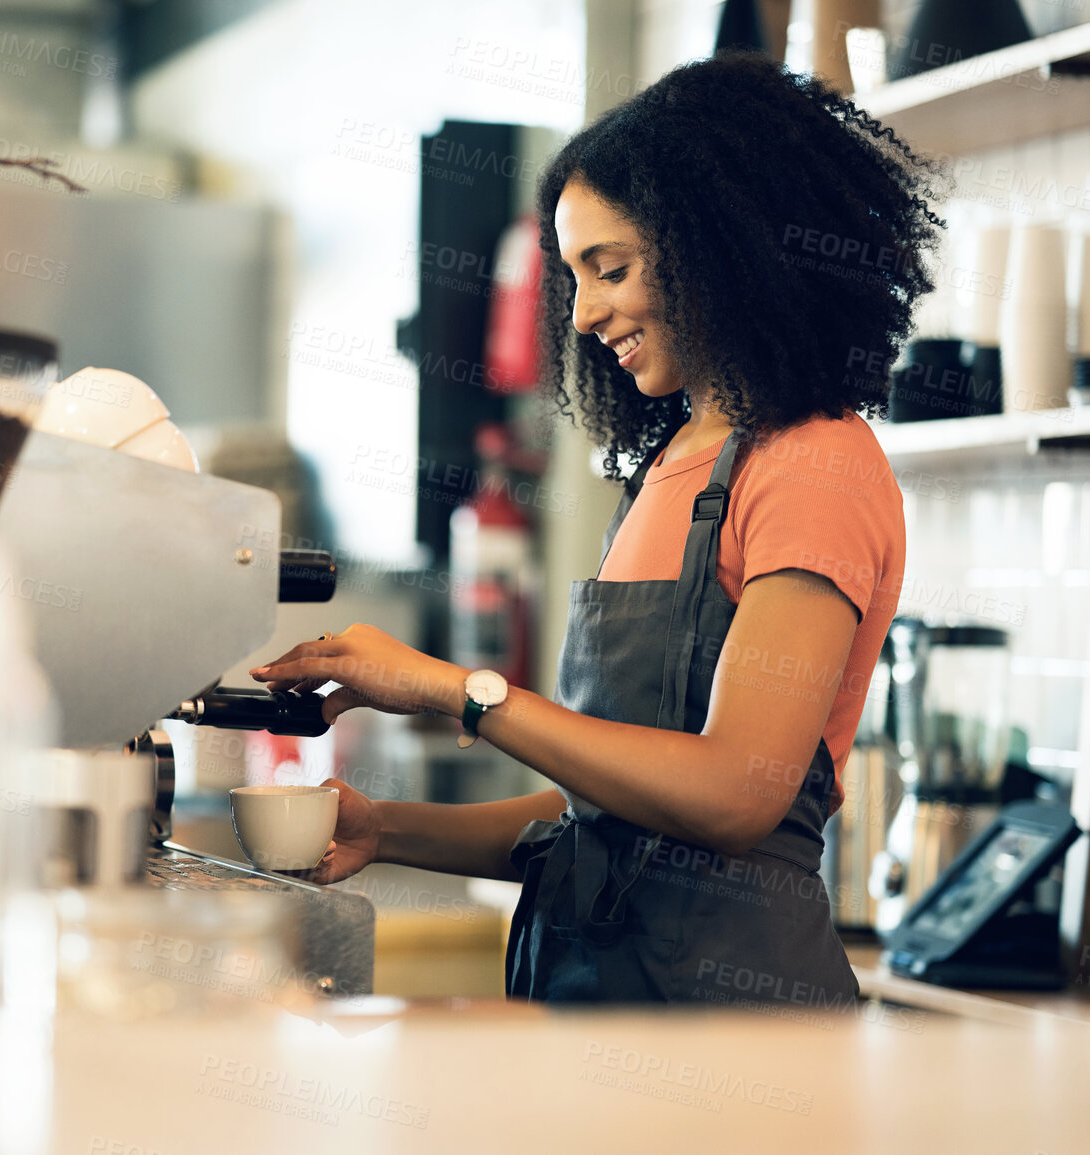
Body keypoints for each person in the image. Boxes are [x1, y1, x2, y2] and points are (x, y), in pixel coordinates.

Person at [250, 52, 941, 1005]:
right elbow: (606, 816)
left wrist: (459, 692)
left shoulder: (815, 463)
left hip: (737, 1038)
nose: (582, 315)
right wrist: (387, 828)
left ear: (717, 243)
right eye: (573, 277)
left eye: (609, 269)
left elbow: (733, 792)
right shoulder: (665, 468)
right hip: (595, 1006)